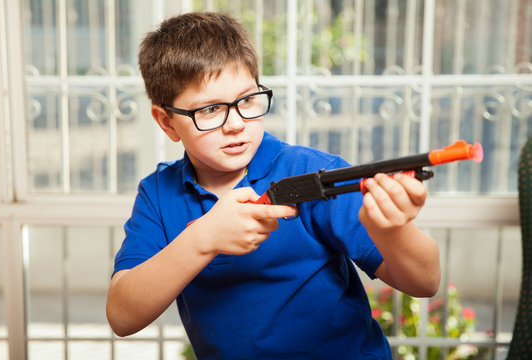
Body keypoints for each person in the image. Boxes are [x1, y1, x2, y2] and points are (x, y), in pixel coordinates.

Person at [106, 11, 440, 359]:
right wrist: (203, 239)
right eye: (209, 110)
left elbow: (425, 282)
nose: (235, 124)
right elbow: (122, 316)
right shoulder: (158, 194)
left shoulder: (314, 172)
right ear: (167, 122)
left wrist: (393, 230)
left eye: (247, 100)